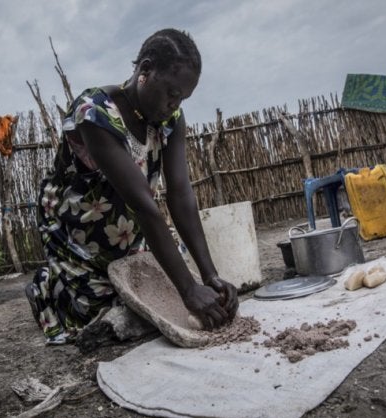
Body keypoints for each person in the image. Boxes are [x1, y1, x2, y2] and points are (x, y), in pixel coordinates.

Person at [26, 28, 239, 345]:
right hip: (77, 231)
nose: (174, 103)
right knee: (93, 316)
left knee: (160, 299)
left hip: (128, 230)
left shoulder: (170, 120)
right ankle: (45, 288)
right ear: (145, 69)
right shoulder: (93, 113)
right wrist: (188, 289)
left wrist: (209, 276)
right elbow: (144, 205)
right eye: (170, 92)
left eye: (182, 97)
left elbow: (180, 194)